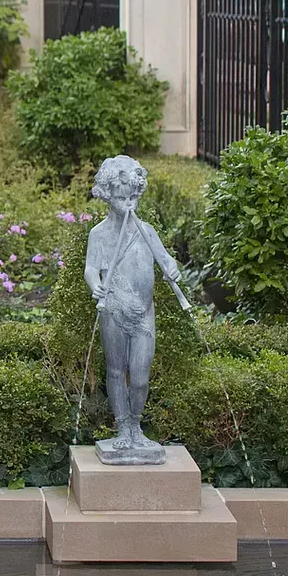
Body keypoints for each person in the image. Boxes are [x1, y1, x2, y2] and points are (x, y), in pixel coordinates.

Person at [84, 155, 181, 461]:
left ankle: (137, 426)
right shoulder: (98, 234)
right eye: (121, 198)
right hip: (113, 309)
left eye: (133, 198)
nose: (128, 205)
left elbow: (166, 260)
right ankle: (123, 428)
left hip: (143, 313)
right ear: (107, 196)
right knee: (115, 370)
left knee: (139, 376)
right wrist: (94, 283)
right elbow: (90, 269)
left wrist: (172, 269)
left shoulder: (146, 231)